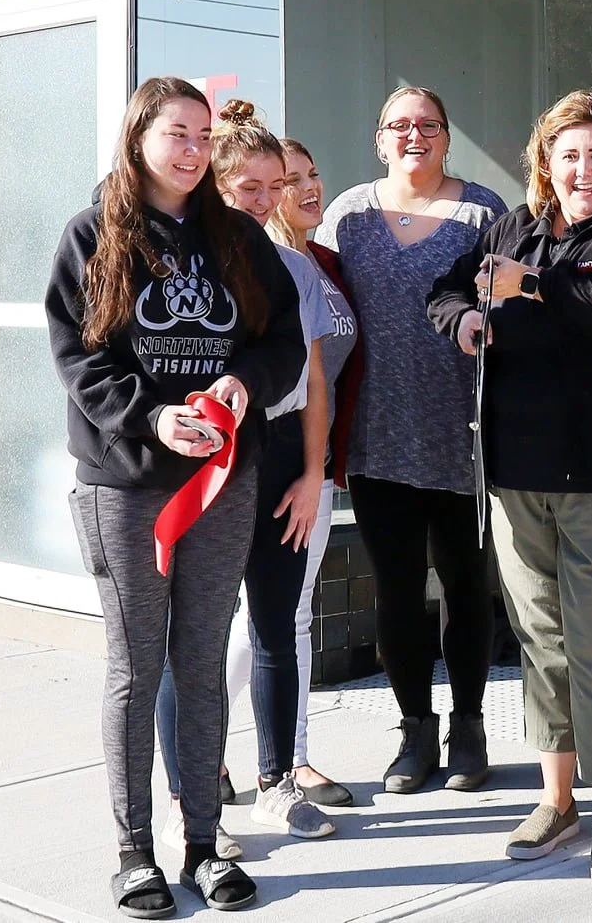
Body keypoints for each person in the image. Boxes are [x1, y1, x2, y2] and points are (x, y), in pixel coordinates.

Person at [46, 77, 303, 916]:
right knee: (136, 666)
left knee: (201, 663)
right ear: (139, 138)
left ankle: (202, 844)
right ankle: (133, 852)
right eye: (176, 134)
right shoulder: (93, 235)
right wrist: (151, 419)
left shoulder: (240, 239)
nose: (192, 151)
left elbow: (283, 345)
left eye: (201, 137)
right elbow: (79, 359)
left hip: (223, 484)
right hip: (126, 487)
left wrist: (239, 385)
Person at [426, 90, 592, 884]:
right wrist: (464, 321)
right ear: (545, 162)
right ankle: (556, 799)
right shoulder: (514, 226)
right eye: (567, 155)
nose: (581, 170)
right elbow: (445, 288)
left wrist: (531, 288)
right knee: (543, 641)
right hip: (518, 474)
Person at [153, 101, 336, 851]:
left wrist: (313, 472)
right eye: (246, 187)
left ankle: (276, 782)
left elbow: (316, 381)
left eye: (273, 186)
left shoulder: (294, 266)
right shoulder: (182, 259)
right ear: (215, 186)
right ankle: (183, 797)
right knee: (192, 636)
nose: (262, 200)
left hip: (283, 449)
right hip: (205, 454)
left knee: (274, 627)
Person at [315, 86, 506, 795]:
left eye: (427, 124)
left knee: (463, 584)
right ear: (379, 139)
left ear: (447, 137)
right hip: (377, 434)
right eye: (398, 124)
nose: (413, 135)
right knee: (394, 590)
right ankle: (414, 731)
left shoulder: (483, 210)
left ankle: (469, 726)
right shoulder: (349, 216)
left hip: (464, 434)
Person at [269, 137, 360, 808]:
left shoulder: (321, 259)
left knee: (294, 614)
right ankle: (205, 755)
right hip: (271, 462)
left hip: (317, 461)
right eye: (288, 179)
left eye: (311, 173)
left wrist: (325, 460)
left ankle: (293, 758)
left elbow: (329, 374)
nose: (306, 188)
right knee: (267, 617)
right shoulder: (258, 264)